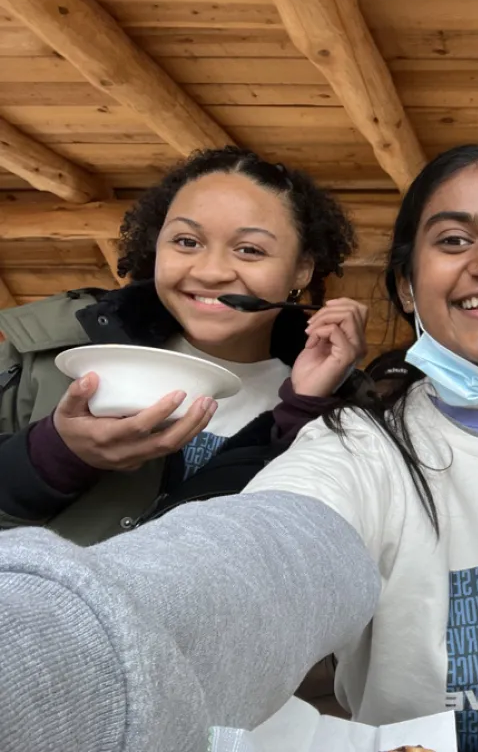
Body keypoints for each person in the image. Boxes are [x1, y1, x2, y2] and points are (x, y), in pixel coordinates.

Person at [0, 145, 478, 752]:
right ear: (407, 285)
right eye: (453, 238)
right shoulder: (355, 447)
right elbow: (258, 562)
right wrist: (57, 653)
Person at [0, 146, 368, 545]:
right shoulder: (42, 352)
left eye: (249, 250)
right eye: (187, 241)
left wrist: (304, 411)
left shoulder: (352, 409)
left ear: (302, 268)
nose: (210, 272)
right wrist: (55, 453)